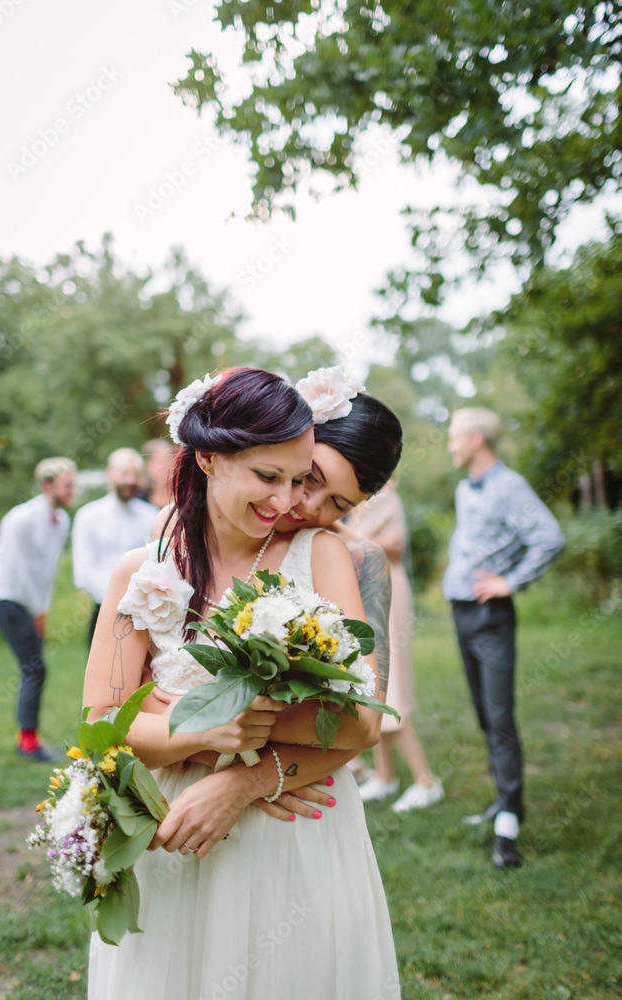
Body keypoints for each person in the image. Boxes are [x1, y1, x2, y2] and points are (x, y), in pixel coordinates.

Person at [83, 367, 401, 1000]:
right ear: (209, 456)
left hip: (293, 829)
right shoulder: (152, 565)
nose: (295, 504)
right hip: (176, 824)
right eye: (291, 478)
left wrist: (243, 764)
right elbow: (103, 721)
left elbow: (365, 719)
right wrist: (195, 736)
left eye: (323, 495)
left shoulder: (337, 558)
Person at [443, 407, 565, 869]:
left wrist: (510, 582)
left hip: (491, 614)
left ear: (476, 440)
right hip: (461, 612)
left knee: (500, 718)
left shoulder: (509, 486)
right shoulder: (463, 487)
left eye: (455, 437)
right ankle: (504, 798)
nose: (451, 445)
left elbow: (549, 537)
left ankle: (509, 824)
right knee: (482, 715)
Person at [345, 482, 444, 812]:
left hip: (387, 588)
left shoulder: (385, 496)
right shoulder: (359, 500)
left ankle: (426, 781)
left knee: (390, 686)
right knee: (370, 681)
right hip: (366, 587)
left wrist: (345, 541)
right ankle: (385, 775)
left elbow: (397, 545)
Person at [0, 457, 77, 761]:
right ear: (47, 485)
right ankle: (28, 742)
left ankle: (26, 736)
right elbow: (19, 572)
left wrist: (44, 610)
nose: (72, 491)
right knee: (35, 668)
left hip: (31, 603)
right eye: (66, 485)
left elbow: (46, 571)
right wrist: (36, 609)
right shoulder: (20, 520)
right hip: (7, 598)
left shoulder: (62, 521)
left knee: (34, 667)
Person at [72, 447, 157, 644]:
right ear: (109, 474)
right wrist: (117, 602)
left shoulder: (150, 515)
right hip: (103, 607)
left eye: (135, 474)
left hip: (145, 612)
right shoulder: (88, 515)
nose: (130, 480)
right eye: (124, 474)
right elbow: (83, 572)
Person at [140, 437, 176, 508]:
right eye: (160, 462)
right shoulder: (139, 500)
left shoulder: (187, 496)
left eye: (169, 459)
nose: (166, 466)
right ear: (148, 466)